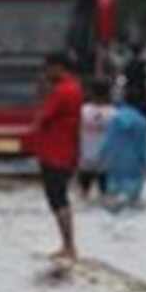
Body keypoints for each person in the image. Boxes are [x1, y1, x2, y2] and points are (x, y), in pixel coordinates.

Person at [33, 51, 83, 264]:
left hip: (55, 152)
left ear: (58, 67)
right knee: (60, 197)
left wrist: (43, 92)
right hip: (66, 151)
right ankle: (68, 244)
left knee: (57, 198)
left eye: (48, 68)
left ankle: (68, 245)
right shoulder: (75, 88)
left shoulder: (62, 91)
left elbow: (43, 116)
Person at [98, 89, 146, 210]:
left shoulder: (114, 119)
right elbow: (144, 146)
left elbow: (107, 141)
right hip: (134, 165)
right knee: (133, 201)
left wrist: (101, 157)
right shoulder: (142, 122)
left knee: (112, 195)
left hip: (115, 163)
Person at [77, 78, 115, 201]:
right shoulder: (115, 114)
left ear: (90, 93)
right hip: (106, 161)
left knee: (83, 195)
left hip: (86, 160)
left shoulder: (82, 111)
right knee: (105, 196)